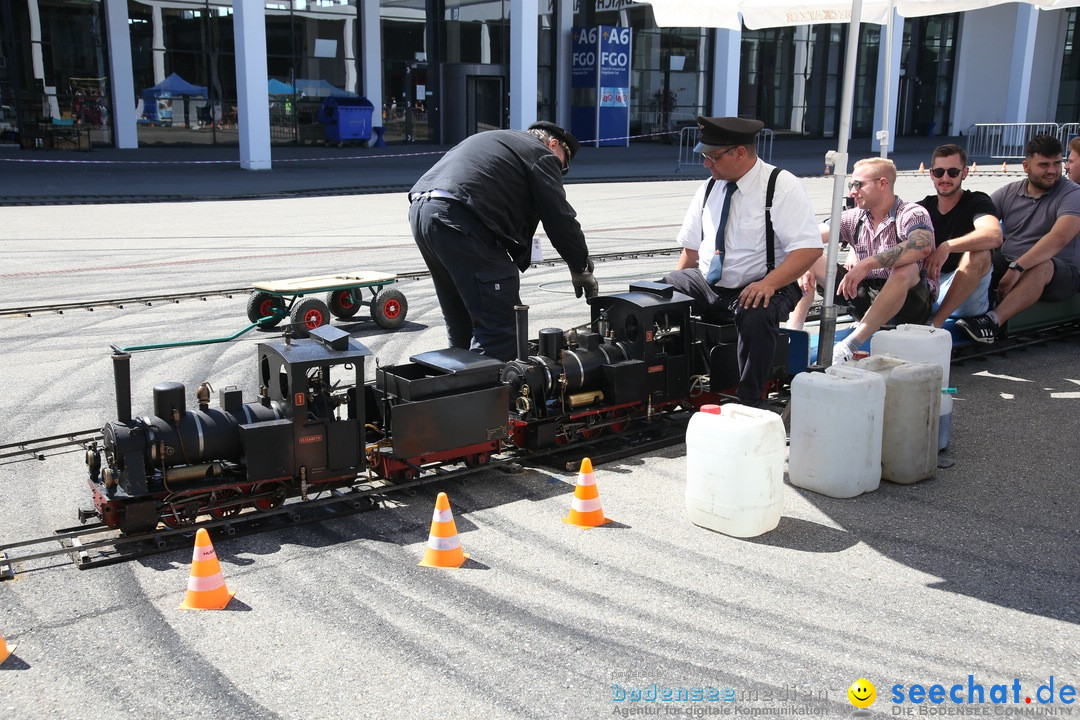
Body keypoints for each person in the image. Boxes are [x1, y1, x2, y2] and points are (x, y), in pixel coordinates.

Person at [661, 116, 821, 406]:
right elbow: (691, 251)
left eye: (713, 157)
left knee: (755, 311)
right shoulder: (709, 188)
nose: (706, 163)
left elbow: (809, 250)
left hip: (768, 282)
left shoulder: (780, 186)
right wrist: (667, 298)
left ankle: (749, 399)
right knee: (661, 290)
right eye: (705, 156)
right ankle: (672, 384)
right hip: (713, 285)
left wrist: (768, 284)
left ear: (740, 152)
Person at [408, 121, 598, 361]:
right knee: (499, 326)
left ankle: (454, 383)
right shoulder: (541, 154)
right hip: (459, 217)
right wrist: (579, 265)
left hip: (423, 212)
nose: (559, 173)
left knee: (461, 318)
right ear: (553, 144)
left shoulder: (504, 142)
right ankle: (485, 393)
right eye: (562, 165)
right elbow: (559, 217)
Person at [796, 157, 937, 363]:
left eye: (858, 184)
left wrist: (869, 263)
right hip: (865, 296)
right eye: (851, 185)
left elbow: (922, 245)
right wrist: (803, 261)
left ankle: (849, 346)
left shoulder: (911, 212)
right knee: (807, 257)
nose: (852, 191)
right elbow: (809, 237)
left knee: (905, 269)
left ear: (882, 184)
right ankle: (793, 337)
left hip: (909, 305)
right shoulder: (854, 217)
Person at [955, 134, 1080, 343]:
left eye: (1057, 163)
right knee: (977, 252)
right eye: (1044, 165)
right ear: (1026, 166)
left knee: (1043, 266)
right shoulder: (1009, 192)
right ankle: (941, 303)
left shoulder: (1073, 194)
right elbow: (977, 221)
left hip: (1061, 273)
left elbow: (1059, 238)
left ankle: (992, 321)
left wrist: (1018, 267)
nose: (1052, 170)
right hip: (1011, 262)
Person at [917, 144, 1002, 328]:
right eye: (939, 172)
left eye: (953, 172)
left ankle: (935, 326)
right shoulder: (922, 207)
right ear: (931, 174)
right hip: (930, 289)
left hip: (967, 298)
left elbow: (994, 235)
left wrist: (947, 246)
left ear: (964, 173)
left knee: (979, 253)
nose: (945, 178)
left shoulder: (977, 202)